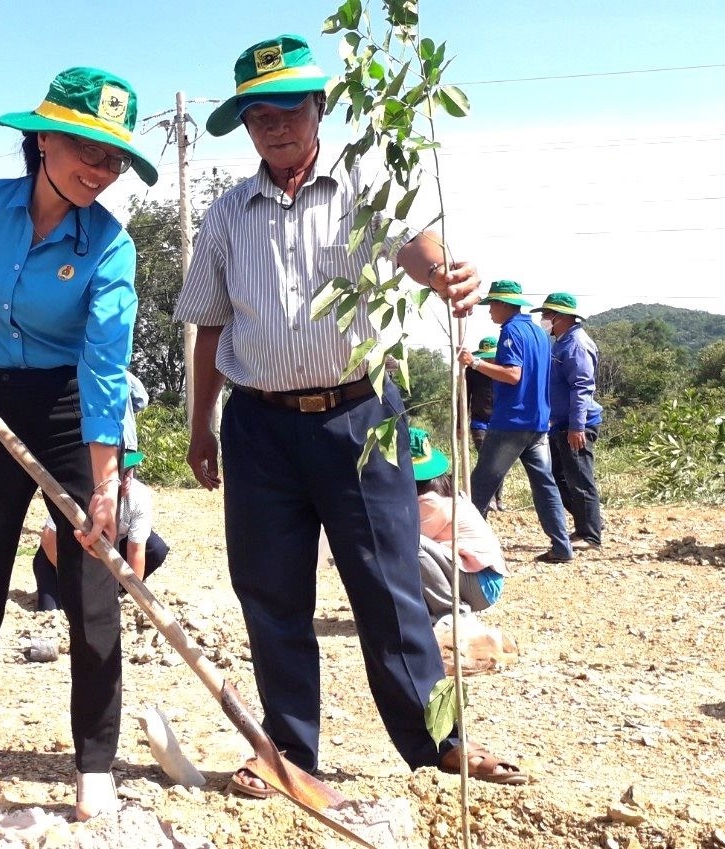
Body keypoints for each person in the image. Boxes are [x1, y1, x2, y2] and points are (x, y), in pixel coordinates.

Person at [175, 34, 526, 796]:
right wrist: (201, 426)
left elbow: (420, 251)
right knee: (270, 591)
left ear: (319, 108)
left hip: (361, 417)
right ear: (245, 126)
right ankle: (290, 750)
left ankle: (441, 745)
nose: (274, 128)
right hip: (260, 426)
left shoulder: (368, 186)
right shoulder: (227, 215)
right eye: (257, 116)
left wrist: (448, 277)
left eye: (288, 110)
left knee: (389, 585)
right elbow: (207, 323)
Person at [0, 66, 158, 820]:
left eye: (115, 159)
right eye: (88, 148)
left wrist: (104, 481)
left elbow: (105, 365)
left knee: (91, 585)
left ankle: (93, 762)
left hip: (67, 408)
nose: (101, 171)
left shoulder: (110, 248)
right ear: (44, 137)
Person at [457, 280, 573, 563]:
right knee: (544, 484)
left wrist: (474, 363)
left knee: (480, 485)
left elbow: (512, 375)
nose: (489, 312)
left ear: (504, 304)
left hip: (511, 421)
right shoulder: (540, 333)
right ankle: (562, 546)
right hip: (538, 423)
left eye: (492, 306)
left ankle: (471, 547)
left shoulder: (511, 330)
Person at [33, 450, 170, 611]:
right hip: (63, 555)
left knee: (155, 547)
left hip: (109, 553)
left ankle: (114, 590)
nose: (126, 479)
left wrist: (134, 597)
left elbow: (136, 551)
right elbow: (49, 540)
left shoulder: (139, 496)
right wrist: (77, 581)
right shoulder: (79, 490)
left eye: (128, 471)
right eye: (120, 473)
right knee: (51, 610)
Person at [410, 429, 508, 623]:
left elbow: (401, 550)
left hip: (482, 585)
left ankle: (450, 611)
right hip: (480, 578)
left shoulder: (431, 501)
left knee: (411, 542)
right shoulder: (443, 489)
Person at [532, 293, 603, 551]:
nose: (543, 320)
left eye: (547, 315)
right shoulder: (561, 343)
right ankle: (588, 522)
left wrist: (577, 426)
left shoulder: (576, 345)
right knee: (559, 476)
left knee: (580, 478)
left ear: (560, 317)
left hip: (576, 424)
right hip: (561, 423)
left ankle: (591, 535)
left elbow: (582, 387)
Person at [465, 336, 505, 512]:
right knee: (486, 460)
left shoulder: (504, 370)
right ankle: (486, 499)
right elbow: (465, 396)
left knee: (499, 462)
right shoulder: (472, 371)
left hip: (501, 423)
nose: (490, 359)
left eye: (492, 356)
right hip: (479, 422)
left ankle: (498, 498)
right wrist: (461, 423)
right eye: (486, 356)